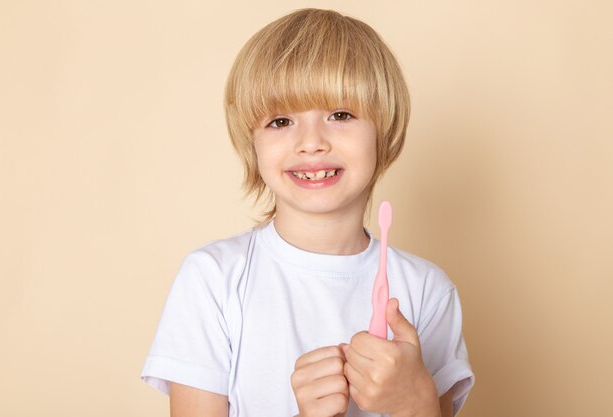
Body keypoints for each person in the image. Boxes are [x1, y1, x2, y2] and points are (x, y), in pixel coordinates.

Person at [141, 8, 474, 417]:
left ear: (383, 130)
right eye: (281, 121)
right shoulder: (213, 280)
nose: (311, 142)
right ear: (253, 144)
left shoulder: (427, 291)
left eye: (340, 115)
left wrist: (416, 401)